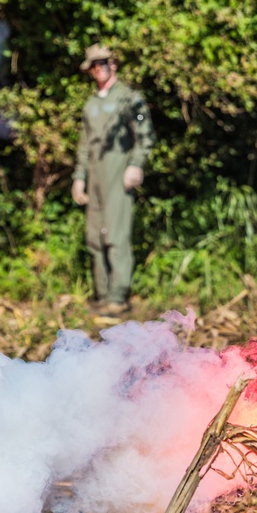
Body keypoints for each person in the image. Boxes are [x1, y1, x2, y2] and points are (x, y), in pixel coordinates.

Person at [72, 43, 154, 317]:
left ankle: (118, 296)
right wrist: (79, 177)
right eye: (94, 66)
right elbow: (84, 144)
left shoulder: (130, 99)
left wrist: (135, 165)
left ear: (114, 65)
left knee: (116, 236)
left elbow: (144, 136)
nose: (98, 69)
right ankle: (102, 294)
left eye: (103, 63)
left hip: (118, 174)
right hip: (94, 175)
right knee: (95, 237)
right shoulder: (91, 103)